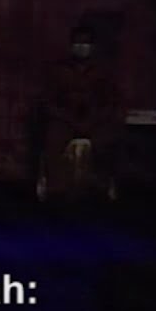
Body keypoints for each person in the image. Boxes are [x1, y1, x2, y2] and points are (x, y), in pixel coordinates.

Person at [38, 23, 123, 202]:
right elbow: (47, 101)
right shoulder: (58, 70)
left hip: (95, 120)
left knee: (106, 142)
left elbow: (111, 102)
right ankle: (57, 189)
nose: (81, 46)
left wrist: (93, 120)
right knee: (53, 138)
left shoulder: (103, 70)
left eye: (85, 43)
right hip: (65, 119)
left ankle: (100, 187)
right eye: (78, 43)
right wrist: (67, 118)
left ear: (92, 46)